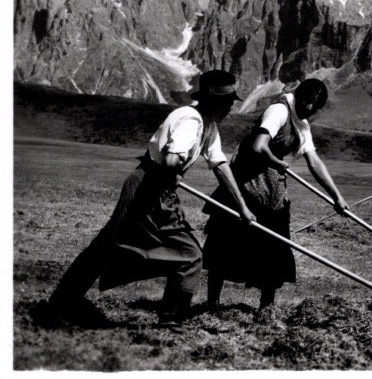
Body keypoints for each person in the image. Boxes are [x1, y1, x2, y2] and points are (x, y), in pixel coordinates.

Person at [47, 70, 256, 327]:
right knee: (188, 254)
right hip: (150, 186)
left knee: (105, 246)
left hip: (154, 185)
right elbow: (170, 159)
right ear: (214, 101)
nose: (230, 108)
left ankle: (60, 302)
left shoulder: (208, 125)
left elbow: (220, 164)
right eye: (227, 102)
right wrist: (172, 171)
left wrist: (242, 207)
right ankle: (171, 317)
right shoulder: (191, 120)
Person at [202, 78, 350, 319]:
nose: (308, 111)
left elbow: (314, 162)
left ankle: (266, 311)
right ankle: (212, 305)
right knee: (225, 245)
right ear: (300, 98)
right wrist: (276, 161)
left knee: (273, 252)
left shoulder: (302, 123)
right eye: (306, 105)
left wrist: (336, 197)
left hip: (273, 191)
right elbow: (259, 145)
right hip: (247, 186)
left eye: (313, 109)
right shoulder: (279, 109)